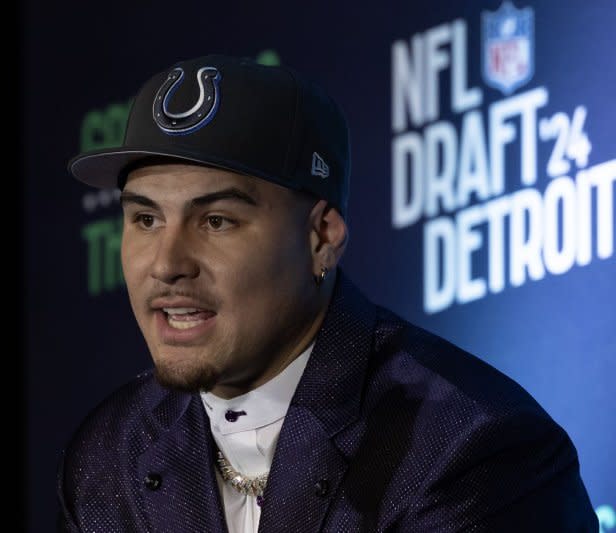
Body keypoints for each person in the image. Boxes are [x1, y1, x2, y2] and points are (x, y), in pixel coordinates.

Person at [57, 54, 598, 532]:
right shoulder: (109, 452)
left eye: (217, 221)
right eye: (146, 218)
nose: (168, 264)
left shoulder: (470, 449)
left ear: (322, 239)